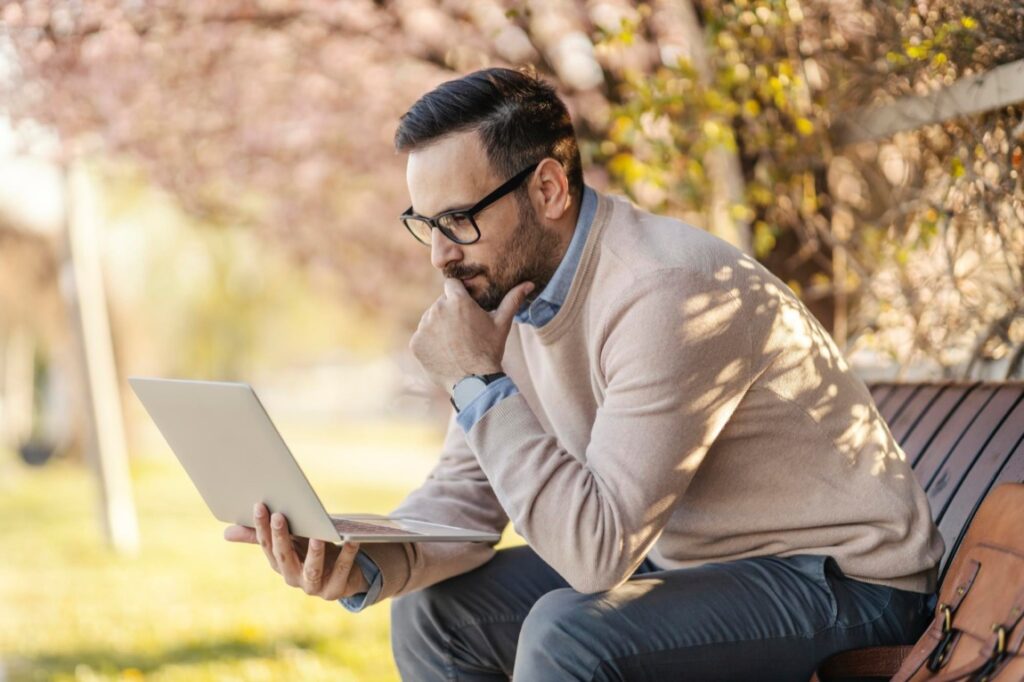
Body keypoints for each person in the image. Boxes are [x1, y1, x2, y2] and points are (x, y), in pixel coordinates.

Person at [225, 67, 945, 681]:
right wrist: (361, 562)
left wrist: (478, 379)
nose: (441, 256)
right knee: (433, 613)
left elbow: (596, 556)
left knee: (570, 630)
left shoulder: (666, 291)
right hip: (689, 565)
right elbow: (465, 502)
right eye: (425, 225)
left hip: (845, 582)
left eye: (460, 221)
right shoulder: (507, 292)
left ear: (547, 190)